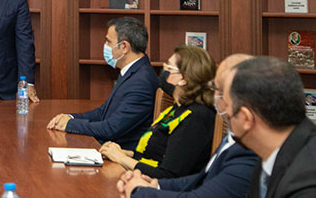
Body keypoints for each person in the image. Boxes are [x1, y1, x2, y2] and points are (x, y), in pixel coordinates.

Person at [118, 53, 258, 198]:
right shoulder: (234, 138)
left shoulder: (249, 151)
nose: (213, 94)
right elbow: (203, 178)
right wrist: (155, 185)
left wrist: (139, 191)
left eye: (218, 89)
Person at [100, 46, 217, 179]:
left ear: (184, 80)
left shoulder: (196, 118)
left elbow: (168, 174)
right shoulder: (177, 108)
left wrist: (122, 159)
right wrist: (123, 153)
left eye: (169, 68)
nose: (163, 71)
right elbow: (154, 155)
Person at [47, 17, 157, 149]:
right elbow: (103, 113)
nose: (105, 45)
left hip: (120, 152)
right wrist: (69, 117)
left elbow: (112, 129)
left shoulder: (141, 82)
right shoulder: (132, 71)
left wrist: (69, 125)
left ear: (124, 47)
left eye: (108, 41)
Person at [229, 56, 316, 198]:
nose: (225, 113)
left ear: (246, 118)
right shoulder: (269, 154)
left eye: (227, 106)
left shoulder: (307, 183)